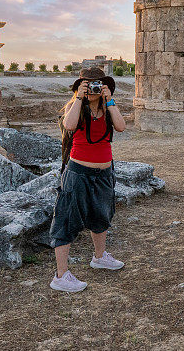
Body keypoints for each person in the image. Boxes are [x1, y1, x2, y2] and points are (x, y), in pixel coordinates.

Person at [49, 67, 127, 293]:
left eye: (97, 84)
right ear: (81, 86)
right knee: (66, 220)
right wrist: (79, 98)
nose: (93, 88)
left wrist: (109, 101)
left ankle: (100, 257)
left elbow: (121, 127)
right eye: (88, 84)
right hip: (78, 173)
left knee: (101, 215)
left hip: (103, 173)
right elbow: (70, 126)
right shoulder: (77, 109)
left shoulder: (107, 108)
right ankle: (61, 275)